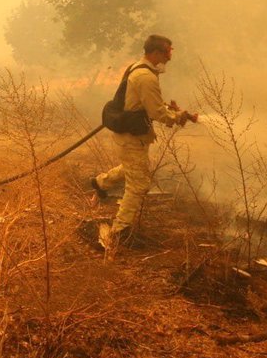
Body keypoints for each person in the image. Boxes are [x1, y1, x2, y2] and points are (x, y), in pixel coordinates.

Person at [84, 34, 197, 249]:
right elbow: (156, 112)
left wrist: (173, 110)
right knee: (139, 184)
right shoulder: (146, 76)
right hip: (131, 136)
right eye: (168, 51)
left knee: (133, 169)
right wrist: (177, 117)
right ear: (156, 53)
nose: (170, 56)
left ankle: (100, 183)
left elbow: (148, 102)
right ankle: (119, 231)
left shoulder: (139, 69)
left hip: (132, 133)